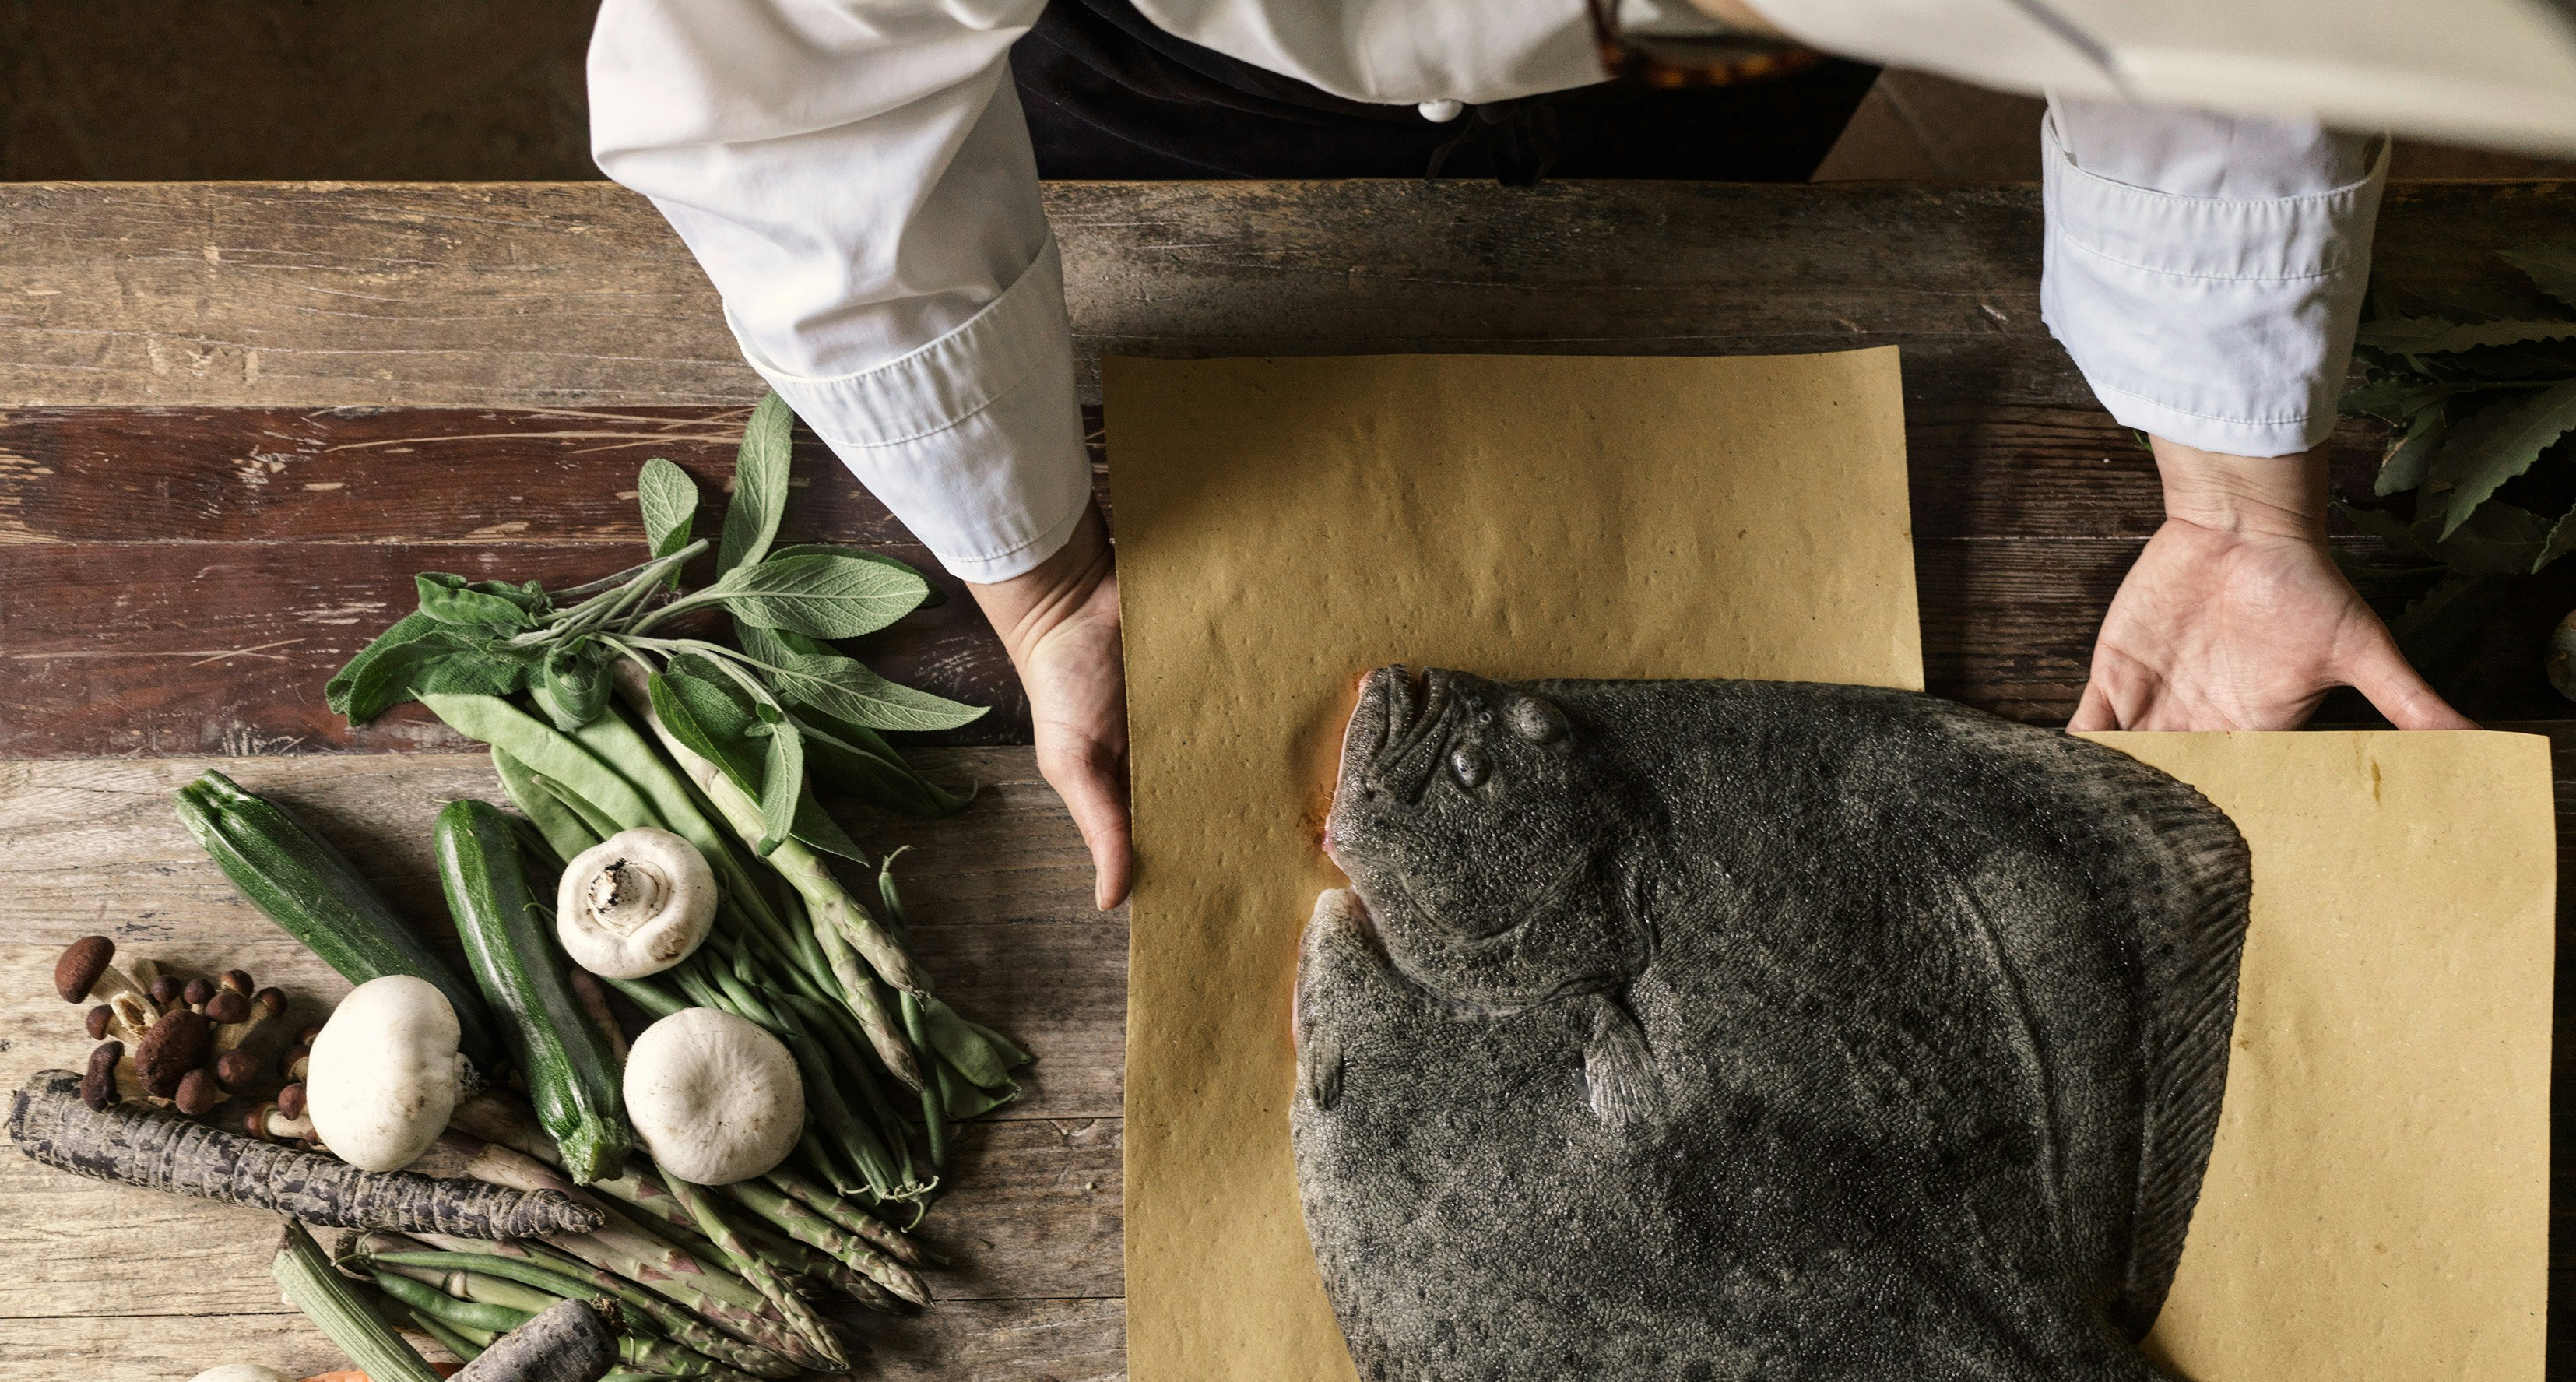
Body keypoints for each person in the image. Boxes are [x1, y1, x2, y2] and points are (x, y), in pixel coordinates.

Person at [588, 0, 2494, 914]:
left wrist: (2234, 499)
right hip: (1182, 71)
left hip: (1720, 65)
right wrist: (1039, 576)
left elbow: (2213, 11)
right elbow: (770, 81)